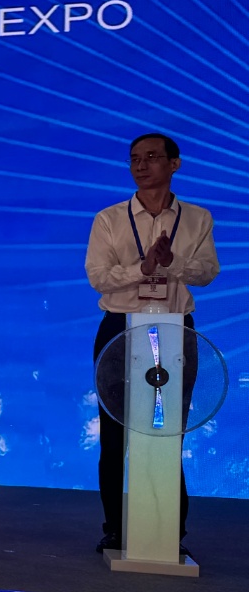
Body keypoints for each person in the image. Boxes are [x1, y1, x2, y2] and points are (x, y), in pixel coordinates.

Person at [83, 132, 218, 555]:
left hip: (175, 327)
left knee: (168, 430)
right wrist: (142, 269)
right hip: (120, 327)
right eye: (134, 159)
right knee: (114, 434)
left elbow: (207, 271)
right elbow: (98, 277)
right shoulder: (109, 218)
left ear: (174, 164)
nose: (141, 166)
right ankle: (115, 528)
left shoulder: (197, 218)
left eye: (152, 157)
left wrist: (172, 263)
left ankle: (168, 532)